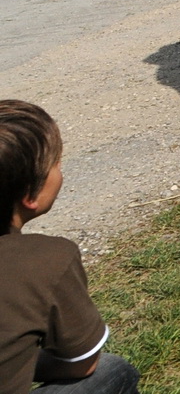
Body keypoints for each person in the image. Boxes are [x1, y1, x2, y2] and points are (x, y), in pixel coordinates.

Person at [0, 100, 141, 394]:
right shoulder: (45, 260)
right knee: (111, 370)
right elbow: (81, 363)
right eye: (57, 163)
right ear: (30, 194)